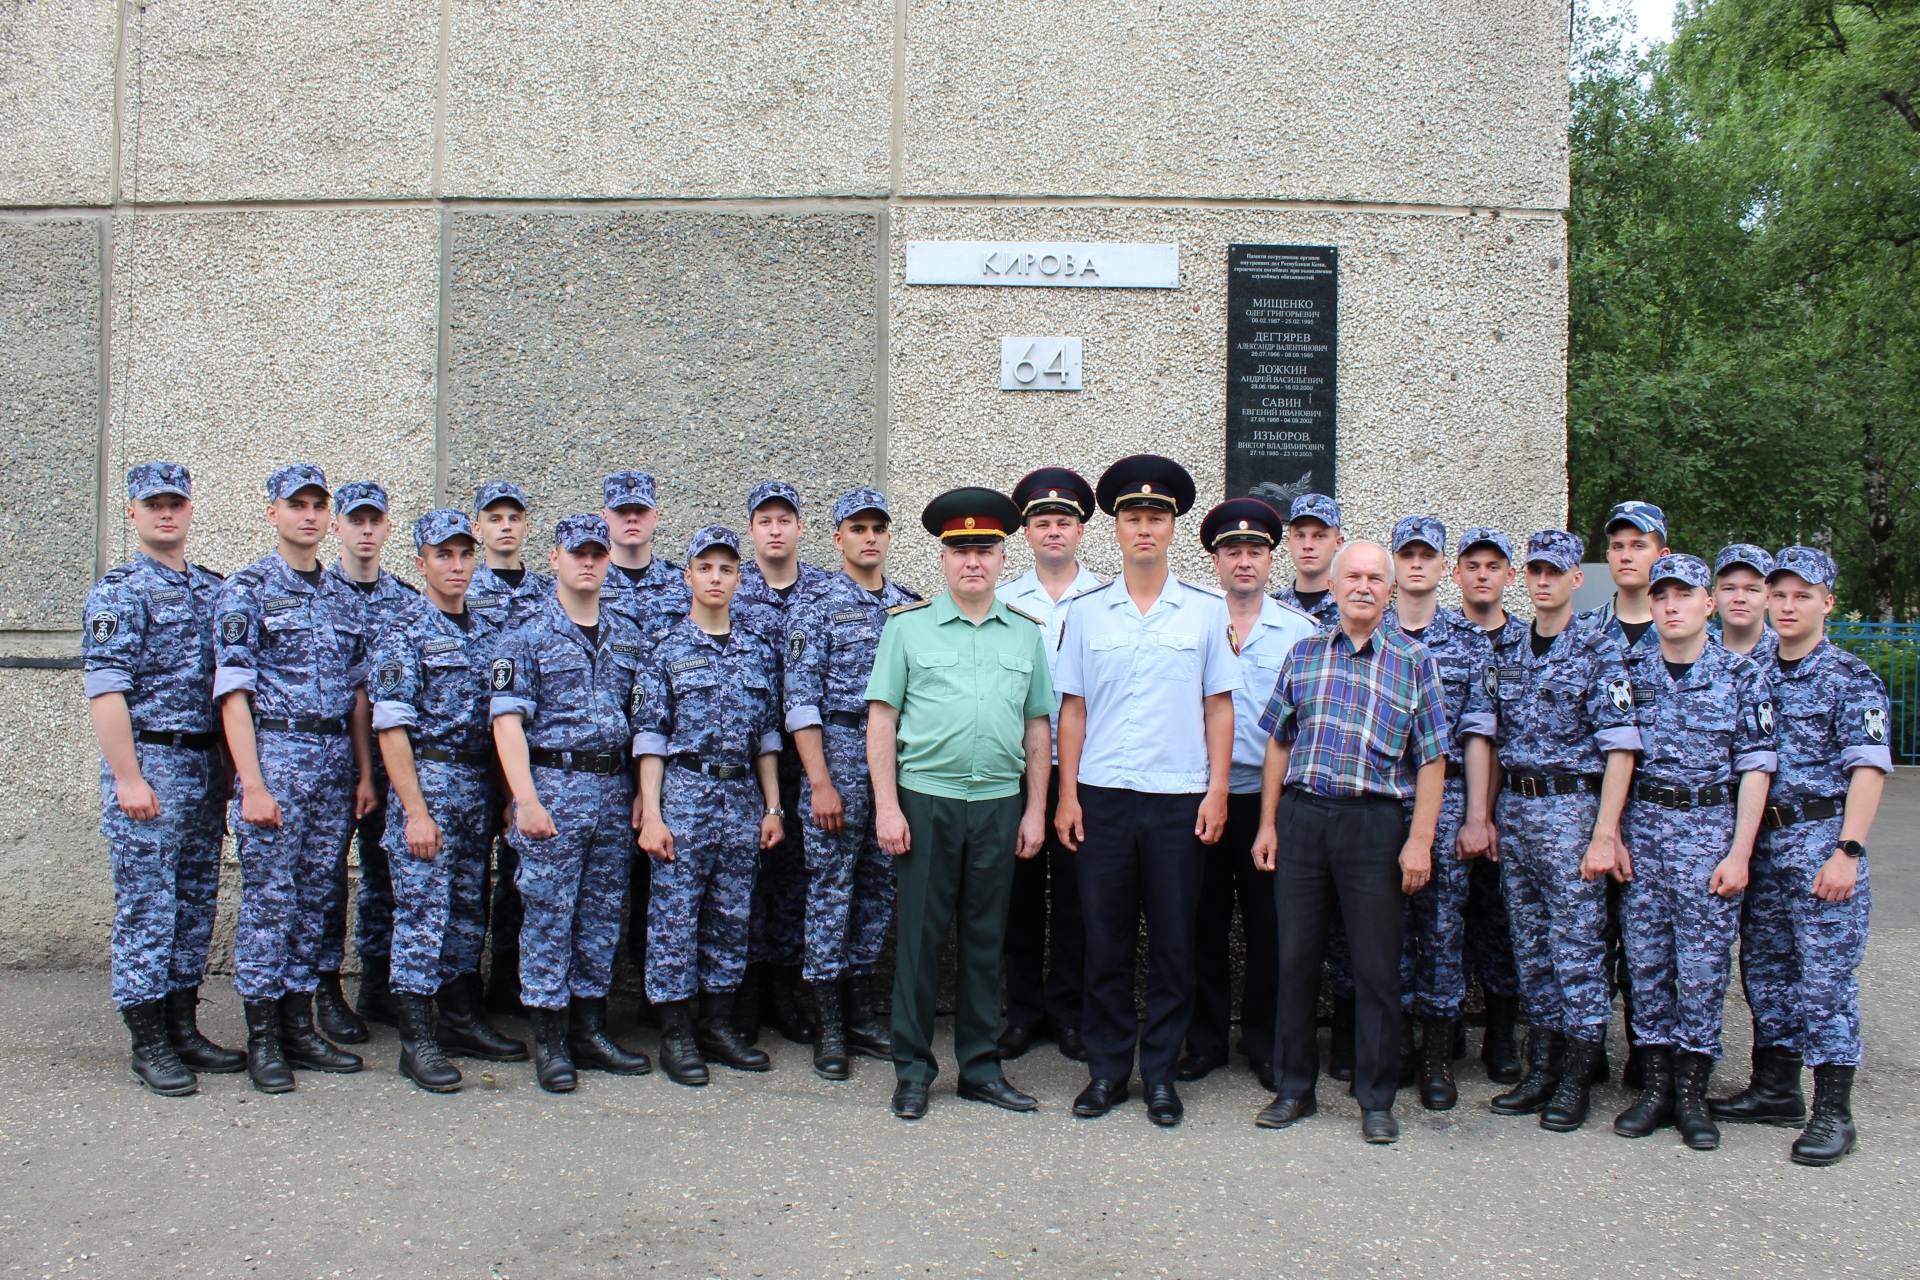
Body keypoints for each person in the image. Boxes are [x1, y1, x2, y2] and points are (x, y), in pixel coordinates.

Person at [1053, 455, 1239, 1127]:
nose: (1144, 528)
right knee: (1104, 942)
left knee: (1173, 944)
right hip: (1102, 797)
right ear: (1116, 528)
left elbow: (1220, 708)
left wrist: (1218, 792)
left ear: (1172, 529)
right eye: (1132, 517)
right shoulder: (1088, 613)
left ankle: (1160, 1074)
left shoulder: (1202, 613)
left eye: (1155, 517)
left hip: (1177, 800)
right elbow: (1071, 710)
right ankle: (1106, 1071)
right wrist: (1067, 796)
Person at [1249, 541, 1450, 1145]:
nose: (1363, 586)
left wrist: (1420, 841)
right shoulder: (1304, 653)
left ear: (1389, 591)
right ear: (1332, 587)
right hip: (1304, 818)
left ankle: (1376, 1098)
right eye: (1352, 577)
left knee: (1375, 967)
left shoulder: (1415, 661)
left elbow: (1434, 759)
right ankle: (1293, 1089)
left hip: (1374, 824)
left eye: (1374, 578)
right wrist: (1267, 823)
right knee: (1295, 959)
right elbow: (1278, 744)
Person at [866, 488, 1055, 1120]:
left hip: (999, 804)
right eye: (959, 551)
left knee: (985, 940)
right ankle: (913, 1069)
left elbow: (1037, 729)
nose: (972, 562)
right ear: (943, 559)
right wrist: (887, 808)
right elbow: (881, 722)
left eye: (985, 550)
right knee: (920, 941)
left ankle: (979, 1067)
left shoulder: (1025, 635)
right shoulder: (907, 627)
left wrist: (1034, 811)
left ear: (1003, 558)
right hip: (926, 801)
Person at [1709, 546, 1892, 1166]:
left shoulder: (1849, 677)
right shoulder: (1758, 674)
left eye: (1801, 596)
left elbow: (1868, 770)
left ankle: (1833, 1113)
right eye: (1779, 595)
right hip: (1764, 847)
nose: (1787, 607)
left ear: (1827, 604)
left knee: (1825, 982)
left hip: (1820, 845)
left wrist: (1848, 851)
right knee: (1766, 972)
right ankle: (1775, 1089)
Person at [214, 464, 378, 1093]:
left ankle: (300, 1026)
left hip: (334, 763)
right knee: (269, 900)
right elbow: (233, 693)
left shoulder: (341, 596)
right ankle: (264, 1038)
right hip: (277, 756)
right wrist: (251, 784)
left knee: (317, 900)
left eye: (318, 505)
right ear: (272, 513)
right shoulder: (248, 590)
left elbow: (360, 696)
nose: (308, 515)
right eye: (296, 505)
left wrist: (365, 773)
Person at [83, 462, 240, 1096]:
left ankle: (182, 1026)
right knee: (149, 907)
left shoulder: (212, 590)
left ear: (191, 509)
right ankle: (148, 1041)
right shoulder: (119, 592)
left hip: (203, 767)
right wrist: (128, 777)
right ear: (132, 514)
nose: (166, 513)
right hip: (150, 765)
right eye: (153, 505)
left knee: (195, 902)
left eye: (175, 502)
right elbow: (106, 691)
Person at [1611, 553, 1775, 1150]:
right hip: (1645, 831)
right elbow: (1617, 761)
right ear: (1651, 606)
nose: (1672, 605)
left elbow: (1755, 769)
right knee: (1647, 965)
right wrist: (1616, 834)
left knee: (1703, 971)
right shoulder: (1628, 672)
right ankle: (1655, 1089)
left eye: (1685, 595)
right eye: (1662, 596)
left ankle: (1691, 1094)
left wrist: (1741, 853)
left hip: (1708, 831)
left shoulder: (1744, 677)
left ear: (1708, 604)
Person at [1483, 530, 1640, 1132]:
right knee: (1530, 946)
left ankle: (1577, 1077)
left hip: (1573, 812)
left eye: (1556, 572)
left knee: (1577, 949)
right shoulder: (1512, 650)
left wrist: (1607, 832)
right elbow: (1494, 743)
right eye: (1536, 572)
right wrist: (1489, 813)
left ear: (1578, 580)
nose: (1543, 581)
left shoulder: (1601, 653)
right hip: (1518, 813)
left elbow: (1620, 748)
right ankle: (1542, 1069)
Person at [490, 514, 652, 1093]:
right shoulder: (526, 634)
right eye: (576, 553)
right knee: (549, 915)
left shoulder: (627, 635)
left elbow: (642, 725)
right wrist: (524, 799)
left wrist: (639, 793)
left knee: (602, 915)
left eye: (596, 553)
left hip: (612, 792)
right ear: (554, 559)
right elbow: (508, 725)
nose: (588, 562)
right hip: (553, 789)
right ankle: (551, 1038)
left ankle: (589, 1028)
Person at [370, 510, 528, 1094]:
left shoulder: (489, 635)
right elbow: (391, 728)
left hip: (477, 788)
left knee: (468, 907)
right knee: (421, 912)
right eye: (443, 555)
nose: (457, 566)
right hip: (430, 785)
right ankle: (418, 1039)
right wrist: (414, 811)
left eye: (464, 554)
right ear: (421, 562)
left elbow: (503, 724)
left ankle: (461, 1020)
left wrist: (509, 797)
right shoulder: (403, 630)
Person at [634, 526, 785, 1086]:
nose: (716, 578)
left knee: (730, 915)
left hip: (742, 795)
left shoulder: (756, 651)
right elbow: (649, 737)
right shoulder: (665, 651)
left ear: (739, 579)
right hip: (686, 794)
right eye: (706, 568)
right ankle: (675, 1033)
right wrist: (651, 813)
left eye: (726, 569)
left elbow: (768, 738)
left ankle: (717, 1024)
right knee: (675, 916)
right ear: (688, 577)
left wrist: (773, 808)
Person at [782, 489, 920, 1080]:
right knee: (830, 890)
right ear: (837, 539)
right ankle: (829, 1024)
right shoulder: (813, 608)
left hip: (893, 765)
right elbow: (800, 701)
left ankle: (862, 1012)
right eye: (857, 528)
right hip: (836, 758)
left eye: (878, 528)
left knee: (879, 889)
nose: (869, 537)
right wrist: (819, 782)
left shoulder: (910, 608)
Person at [1178, 497, 1314, 1093]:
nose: (1243, 561)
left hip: (1268, 800)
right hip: (1201, 795)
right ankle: (1204, 1039)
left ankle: (1263, 1041)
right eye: (1231, 551)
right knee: (1199, 924)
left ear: (1269, 560)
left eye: (1254, 551)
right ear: (1214, 561)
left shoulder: (1301, 630)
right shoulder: (1193, 621)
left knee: (1270, 927)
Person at [1381, 517, 1499, 1111]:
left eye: (1429, 555)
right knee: (1383, 929)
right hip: (1379, 798)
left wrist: (1477, 814)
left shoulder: (1471, 642)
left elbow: (1478, 735)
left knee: (1442, 930)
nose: (1418, 564)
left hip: (1447, 798)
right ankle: (1395, 1045)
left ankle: (1436, 1057)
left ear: (1442, 564)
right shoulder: (1367, 632)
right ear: (1395, 563)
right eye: (1409, 554)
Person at [994, 466, 1103, 1065]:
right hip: (1020, 769)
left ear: (1081, 531)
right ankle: (1024, 1012)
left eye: (1064, 521)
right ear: (1027, 533)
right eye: (1042, 521)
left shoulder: (1108, 597)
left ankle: (1070, 1012)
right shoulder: (1005, 600)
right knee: (1019, 896)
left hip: (1085, 773)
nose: (1053, 530)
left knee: (1079, 900)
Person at [316, 479, 419, 1043]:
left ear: (385, 528)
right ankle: (325, 988)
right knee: (326, 877)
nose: (365, 530)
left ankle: (378, 985)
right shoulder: (315, 594)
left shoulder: (404, 600)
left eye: (375, 521)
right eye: (355, 520)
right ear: (338, 527)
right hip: (328, 759)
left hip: (392, 760)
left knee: (388, 876)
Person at [734, 480, 833, 1046]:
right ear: (752, 529)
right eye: (764, 520)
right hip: (747, 761)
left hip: (809, 760)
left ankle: (785, 990)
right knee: (747, 879)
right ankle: (746, 994)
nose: (775, 529)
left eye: (785, 520)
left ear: (800, 528)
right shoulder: (729, 586)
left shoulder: (823, 591)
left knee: (798, 879)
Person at [598, 470, 693, 1013]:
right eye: (620, 512)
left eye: (640, 511)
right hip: (599, 768)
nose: (631, 520)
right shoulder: (584, 578)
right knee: (601, 893)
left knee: (657, 891)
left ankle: (652, 1007)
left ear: (655, 518)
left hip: (663, 769)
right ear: (607, 518)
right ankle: (594, 1010)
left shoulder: (677, 587)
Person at [466, 479, 552, 1018]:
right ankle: (477, 993)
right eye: (493, 517)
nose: (504, 526)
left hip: (528, 760)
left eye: (513, 517)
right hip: (467, 757)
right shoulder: (458, 587)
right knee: (471, 880)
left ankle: (515, 984)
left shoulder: (548, 594)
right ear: (478, 529)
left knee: (525, 879)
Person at [1449, 526, 1527, 1082]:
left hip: (1518, 805)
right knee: (1444, 918)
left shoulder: (1529, 644)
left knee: (1501, 921)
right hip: (1451, 797)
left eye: (1492, 566)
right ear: (1457, 575)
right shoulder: (1436, 639)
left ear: (1509, 576)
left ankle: (1502, 1034)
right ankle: (1444, 1024)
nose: (1482, 575)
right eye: (1472, 565)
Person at [1270, 493, 1344, 627]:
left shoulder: (1351, 606)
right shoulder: (1271, 607)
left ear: (1338, 543)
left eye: (1319, 536)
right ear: (1289, 542)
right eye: (1300, 536)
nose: (1307, 545)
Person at [1712, 544, 1777, 662]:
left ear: (1768, 597)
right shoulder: (1697, 654)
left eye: (1752, 590)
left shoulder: (1786, 654)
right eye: (1729, 588)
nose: (1739, 598)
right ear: (1714, 595)